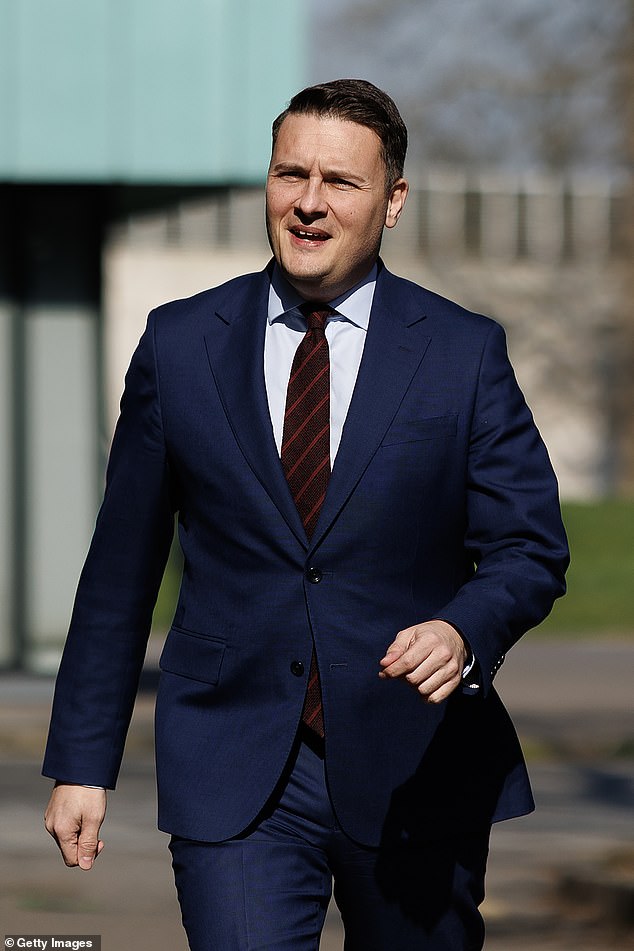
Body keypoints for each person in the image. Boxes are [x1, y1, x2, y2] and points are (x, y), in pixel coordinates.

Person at [43, 79, 568, 950]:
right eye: (292, 175)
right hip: (233, 762)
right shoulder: (182, 344)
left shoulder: (463, 353)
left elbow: (528, 547)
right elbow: (119, 573)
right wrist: (82, 763)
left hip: (416, 765)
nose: (310, 204)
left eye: (341, 182)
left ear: (393, 200)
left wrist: (463, 630)